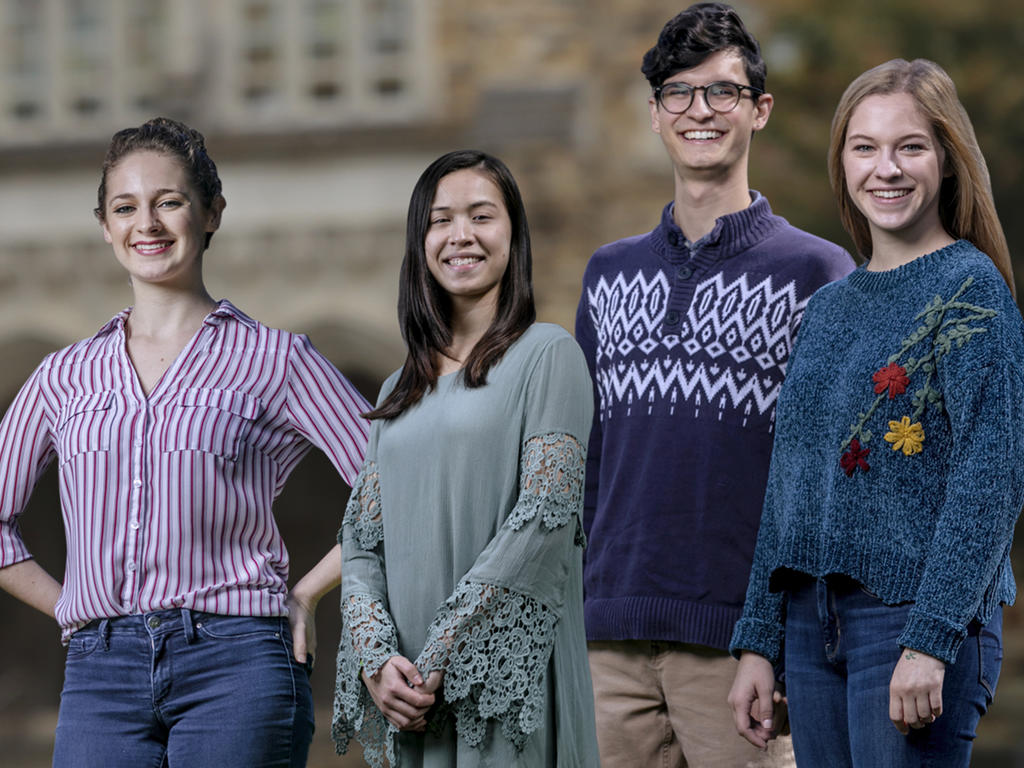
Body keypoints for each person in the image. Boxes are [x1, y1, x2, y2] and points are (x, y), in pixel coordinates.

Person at [0, 117, 371, 767]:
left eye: (169, 202)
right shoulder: (64, 375)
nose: (147, 223)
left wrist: (307, 592)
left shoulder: (276, 359)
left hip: (239, 664)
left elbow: (396, 483)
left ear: (211, 214)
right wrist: (72, 608)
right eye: (126, 207)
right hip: (99, 677)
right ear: (106, 226)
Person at [574, 4, 853, 766]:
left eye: (722, 92)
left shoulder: (818, 274)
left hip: (742, 652)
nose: (700, 110)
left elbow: (825, 486)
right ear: (655, 115)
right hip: (607, 647)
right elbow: (591, 467)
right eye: (679, 93)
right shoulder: (608, 273)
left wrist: (782, 639)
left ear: (759, 111)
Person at [728, 58, 1024, 767]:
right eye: (865, 148)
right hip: (810, 627)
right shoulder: (829, 307)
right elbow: (789, 484)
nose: (885, 169)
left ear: (948, 161)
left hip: (912, 626)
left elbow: (991, 482)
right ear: (843, 163)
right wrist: (759, 641)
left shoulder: (970, 293)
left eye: (910, 147)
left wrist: (931, 638)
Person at [331, 149, 598, 767]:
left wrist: (446, 651)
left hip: (505, 682)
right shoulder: (397, 387)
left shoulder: (548, 356)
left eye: (482, 216)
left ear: (513, 234)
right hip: (409, 695)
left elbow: (544, 519)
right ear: (419, 240)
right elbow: (362, 542)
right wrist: (376, 658)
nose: (461, 236)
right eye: (441, 219)